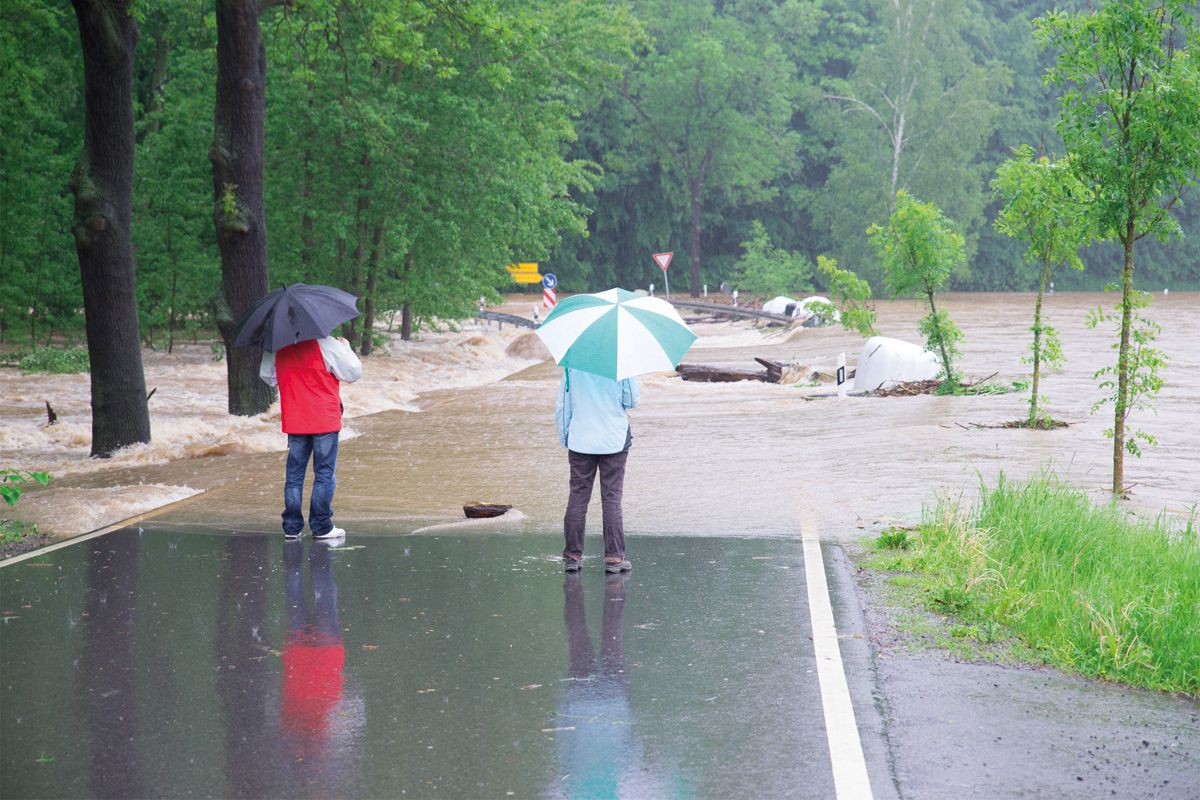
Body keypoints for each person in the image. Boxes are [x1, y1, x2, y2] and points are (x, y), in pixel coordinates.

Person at [260, 336, 362, 541]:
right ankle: (322, 527)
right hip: (324, 418)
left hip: (296, 418)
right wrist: (348, 348)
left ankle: (291, 527)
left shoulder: (276, 346)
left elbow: (268, 377)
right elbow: (353, 373)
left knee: (294, 475)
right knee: (324, 473)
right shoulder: (328, 343)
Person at [555, 368, 638, 573]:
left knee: (578, 496)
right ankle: (615, 558)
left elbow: (563, 406)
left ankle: (573, 556)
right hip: (613, 439)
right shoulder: (622, 361)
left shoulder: (572, 363)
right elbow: (632, 400)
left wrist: (566, 436)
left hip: (581, 439)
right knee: (611, 498)